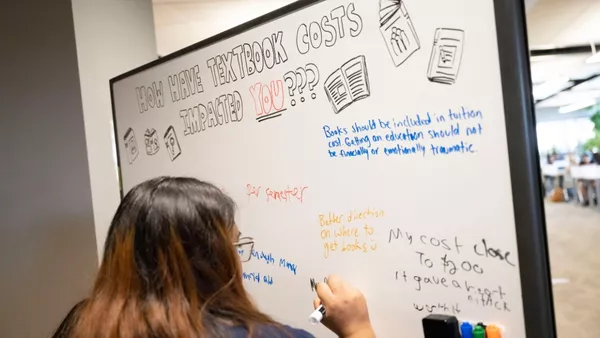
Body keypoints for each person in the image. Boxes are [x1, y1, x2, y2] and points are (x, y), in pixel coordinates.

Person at [53, 177, 375, 338]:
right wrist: (357, 328)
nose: (240, 259)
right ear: (210, 259)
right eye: (234, 246)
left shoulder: (79, 326)